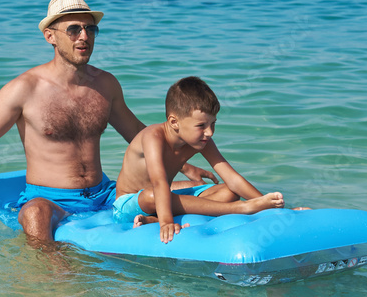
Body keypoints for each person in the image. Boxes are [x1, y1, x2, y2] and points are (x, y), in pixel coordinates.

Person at [0, 0, 214, 241]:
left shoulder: (106, 85)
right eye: (74, 29)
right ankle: (53, 288)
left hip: (106, 193)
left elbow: (139, 133)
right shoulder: (24, 90)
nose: (84, 36)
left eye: (90, 29)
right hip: (50, 199)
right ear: (49, 36)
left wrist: (185, 165)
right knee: (34, 215)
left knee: (209, 190)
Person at [112, 76, 285, 243]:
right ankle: (240, 208)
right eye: (201, 126)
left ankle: (152, 219)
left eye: (213, 124)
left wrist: (270, 206)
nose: (209, 132)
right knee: (152, 195)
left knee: (229, 191)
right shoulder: (153, 137)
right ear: (174, 122)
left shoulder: (201, 140)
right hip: (129, 204)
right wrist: (166, 223)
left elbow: (232, 178)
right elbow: (159, 183)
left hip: (165, 198)